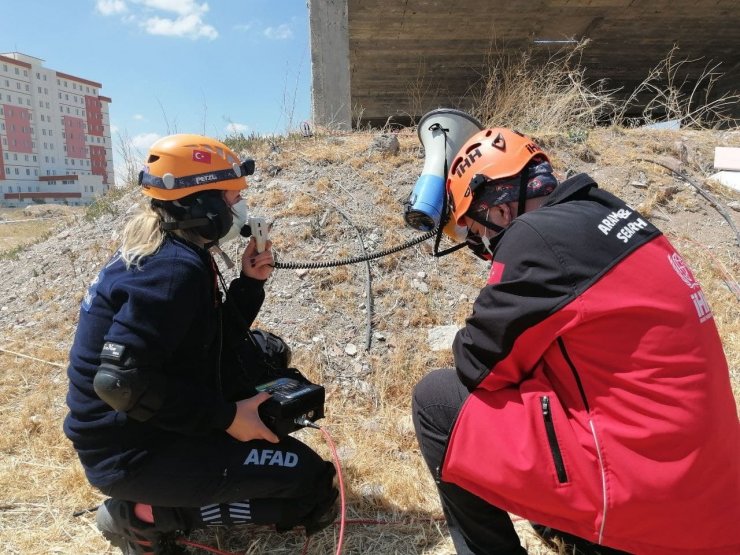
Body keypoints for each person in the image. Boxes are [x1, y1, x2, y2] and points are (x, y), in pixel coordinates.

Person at [411, 128, 739, 555]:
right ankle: (570, 529)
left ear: (503, 211)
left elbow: (477, 365)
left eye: (478, 234)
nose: (486, 250)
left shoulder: (536, 238)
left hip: (649, 511)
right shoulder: (612, 215)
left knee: (436, 401)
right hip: (712, 504)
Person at [63, 134, 337, 554]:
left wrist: (249, 285)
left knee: (269, 365)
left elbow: (206, 341)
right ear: (200, 203)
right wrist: (227, 417)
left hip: (149, 428)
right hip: (132, 452)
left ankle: (164, 495)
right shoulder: (172, 269)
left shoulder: (175, 251)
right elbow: (119, 383)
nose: (237, 209)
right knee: (311, 487)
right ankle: (141, 518)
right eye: (230, 199)